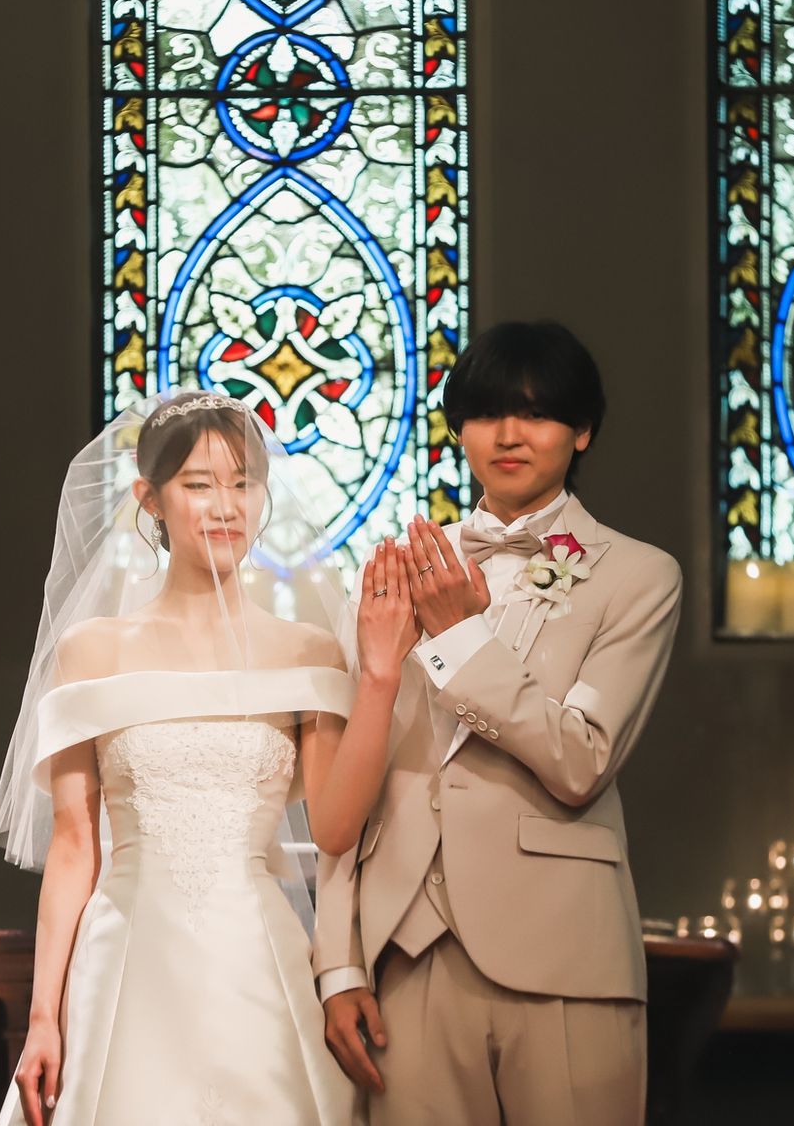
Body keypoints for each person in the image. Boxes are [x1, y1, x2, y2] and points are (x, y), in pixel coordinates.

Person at [0, 390, 417, 1126]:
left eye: (243, 484)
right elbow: (74, 847)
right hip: (128, 959)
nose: (226, 506)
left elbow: (337, 827)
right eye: (199, 484)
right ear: (149, 498)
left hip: (258, 961)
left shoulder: (307, 653)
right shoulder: (92, 652)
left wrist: (377, 679)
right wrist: (44, 1018)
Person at [315, 321, 683, 1126]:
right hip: (406, 953)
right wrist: (338, 965)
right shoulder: (396, 569)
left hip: (564, 953)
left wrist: (459, 635)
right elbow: (348, 783)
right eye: (486, 413)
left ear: (582, 431)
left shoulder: (637, 574)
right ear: (459, 430)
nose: (509, 434)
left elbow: (582, 761)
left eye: (538, 413)